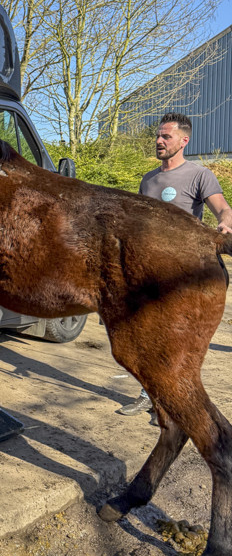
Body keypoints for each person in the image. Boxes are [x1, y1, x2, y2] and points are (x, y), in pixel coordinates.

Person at [118, 111, 232, 415]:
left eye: (165, 136)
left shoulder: (199, 175)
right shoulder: (149, 179)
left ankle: (172, 403)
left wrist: (225, 223)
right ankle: (149, 395)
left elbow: (222, 207)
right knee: (145, 334)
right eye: (158, 135)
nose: (158, 141)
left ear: (184, 140)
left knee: (175, 338)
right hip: (147, 271)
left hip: (180, 274)